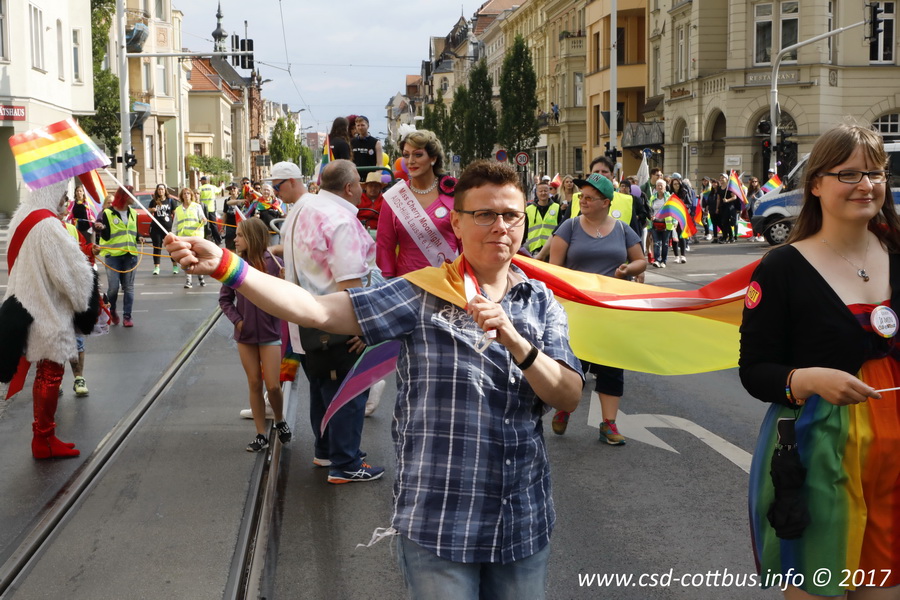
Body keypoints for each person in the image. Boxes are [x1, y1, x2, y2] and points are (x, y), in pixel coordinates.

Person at [165, 159, 583, 598]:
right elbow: (316, 309)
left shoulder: (542, 302)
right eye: (484, 214)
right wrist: (228, 266)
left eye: (510, 215)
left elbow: (569, 395)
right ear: (457, 224)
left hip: (521, 522)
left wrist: (516, 341)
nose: (499, 226)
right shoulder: (423, 292)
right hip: (439, 523)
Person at [740, 124, 900, 598]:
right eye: (848, 174)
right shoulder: (781, 267)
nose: (865, 185)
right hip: (819, 456)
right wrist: (807, 379)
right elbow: (755, 370)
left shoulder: (897, 252)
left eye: (875, 173)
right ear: (815, 184)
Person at [274, 159, 384, 483]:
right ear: (349, 188)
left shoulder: (302, 209)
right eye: (359, 184)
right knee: (348, 393)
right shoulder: (340, 220)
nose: (362, 190)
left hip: (304, 320)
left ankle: (325, 451)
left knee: (322, 388)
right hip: (336, 323)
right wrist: (363, 326)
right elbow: (350, 283)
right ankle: (346, 462)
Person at [0, 182, 98, 458]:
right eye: (63, 195)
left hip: (26, 302)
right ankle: (44, 438)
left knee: (44, 373)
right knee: (51, 374)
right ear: (52, 193)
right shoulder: (49, 226)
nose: (66, 201)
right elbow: (72, 276)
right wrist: (87, 303)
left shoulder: (23, 216)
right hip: (48, 310)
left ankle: (44, 436)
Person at [549, 173, 646, 443]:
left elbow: (641, 261)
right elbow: (554, 269)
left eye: (590, 198)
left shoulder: (622, 229)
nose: (583, 200)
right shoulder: (569, 227)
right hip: (577, 311)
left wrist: (628, 269)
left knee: (612, 366)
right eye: (582, 196)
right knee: (574, 364)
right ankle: (564, 408)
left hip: (611, 311)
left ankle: (609, 425)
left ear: (605, 202)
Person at [219, 218, 292, 452]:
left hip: (271, 332)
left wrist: (285, 282)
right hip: (246, 335)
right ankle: (261, 434)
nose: (235, 239)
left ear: (252, 237)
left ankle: (279, 419)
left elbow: (289, 298)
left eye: (240, 235)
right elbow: (225, 299)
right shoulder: (236, 266)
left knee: (273, 386)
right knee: (253, 383)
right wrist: (238, 321)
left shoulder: (276, 264)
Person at [376, 129, 460, 278]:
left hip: (448, 282)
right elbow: (385, 245)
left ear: (433, 158)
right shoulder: (394, 197)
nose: (410, 161)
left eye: (418, 155)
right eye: (406, 155)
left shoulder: (454, 192)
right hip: (407, 282)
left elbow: (466, 241)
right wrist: (388, 280)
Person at [96, 186, 139, 327]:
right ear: (125, 196)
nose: (134, 197)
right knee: (113, 288)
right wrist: (101, 228)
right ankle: (112, 309)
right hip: (113, 256)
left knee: (129, 287)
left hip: (130, 255)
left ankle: (127, 316)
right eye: (132, 195)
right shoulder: (108, 213)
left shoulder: (133, 213)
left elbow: (133, 232)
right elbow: (105, 235)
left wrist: (139, 238)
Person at [172, 187, 207, 289]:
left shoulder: (197, 206)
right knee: (186, 259)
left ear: (191, 195)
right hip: (183, 238)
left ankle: (201, 277)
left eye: (188, 193)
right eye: (184, 193)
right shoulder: (178, 209)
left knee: (197, 258)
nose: (186, 195)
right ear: (182, 196)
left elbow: (203, 220)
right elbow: (175, 225)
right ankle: (188, 281)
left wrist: (204, 220)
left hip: (196, 237)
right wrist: (173, 236)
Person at [523, 181, 559, 256]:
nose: (543, 193)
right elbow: (525, 230)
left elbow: (560, 229)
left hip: (551, 248)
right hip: (534, 249)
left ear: (549, 192)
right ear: (537, 193)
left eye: (545, 191)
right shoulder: (529, 209)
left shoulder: (556, 207)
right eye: (540, 191)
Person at [148, 184, 177, 275]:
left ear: (165, 190)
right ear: (157, 191)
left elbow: (175, 214)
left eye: (162, 189)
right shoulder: (154, 201)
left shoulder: (170, 201)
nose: (161, 191)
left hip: (168, 227)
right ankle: (157, 267)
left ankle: (175, 266)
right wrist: (152, 210)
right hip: (156, 227)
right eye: (159, 189)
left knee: (171, 247)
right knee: (157, 247)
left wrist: (175, 226)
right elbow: (148, 212)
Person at [649, 178, 673, 267]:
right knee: (656, 243)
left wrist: (675, 222)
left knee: (665, 243)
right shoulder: (652, 197)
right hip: (655, 223)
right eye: (658, 185)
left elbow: (673, 210)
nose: (659, 187)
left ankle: (663, 261)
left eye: (661, 186)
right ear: (655, 187)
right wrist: (650, 216)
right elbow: (650, 209)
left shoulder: (669, 197)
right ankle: (657, 260)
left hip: (666, 223)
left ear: (665, 187)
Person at [198, 176, 223, 246]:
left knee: (204, 225)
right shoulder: (212, 187)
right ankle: (218, 240)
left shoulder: (200, 188)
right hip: (211, 209)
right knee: (213, 225)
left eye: (201, 181)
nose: (201, 182)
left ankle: (204, 240)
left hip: (203, 209)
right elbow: (219, 190)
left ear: (204, 181)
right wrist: (221, 186)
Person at [223, 184, 243, 251]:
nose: (232, 190)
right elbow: (225, 214)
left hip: (240, 225)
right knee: (230, 245)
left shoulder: (241, 199)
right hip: (230, 225)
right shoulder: (227, 200)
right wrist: (222, 227)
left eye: (234, 188)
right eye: (230, 189)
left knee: (240, 245)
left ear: (237, 189)